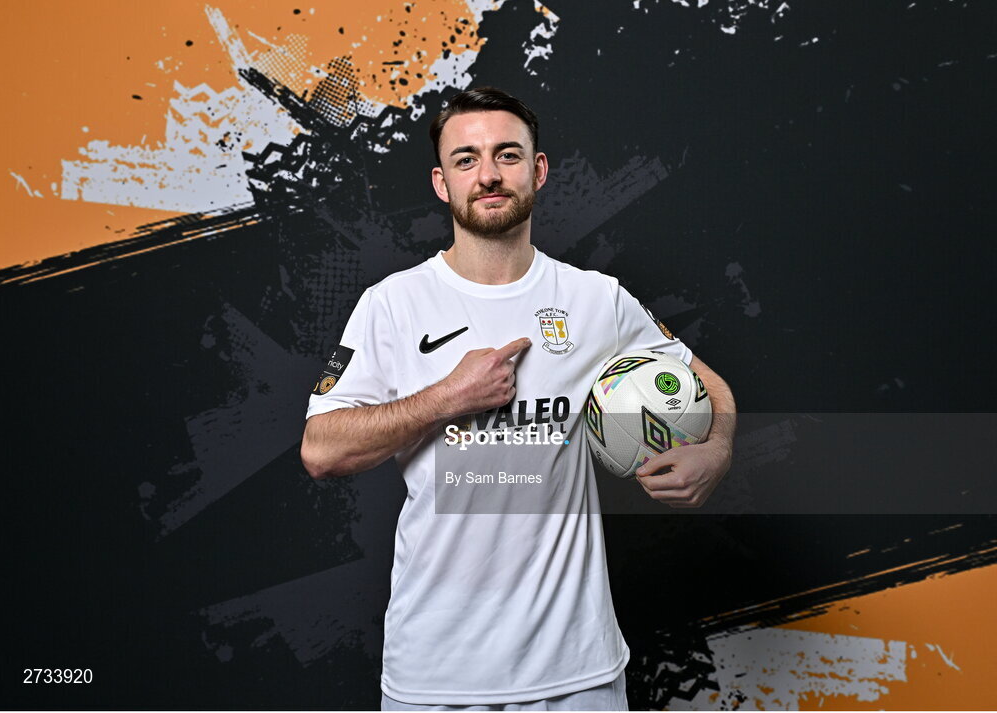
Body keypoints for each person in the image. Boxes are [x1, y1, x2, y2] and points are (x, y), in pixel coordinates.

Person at [300, 87, 735, 711]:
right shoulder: (392, 304)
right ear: (441, 182)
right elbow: (320, 450)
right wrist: (446, 398)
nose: (488, 175)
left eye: (507, 155)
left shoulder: (595, 300)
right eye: (466, 159)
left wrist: (716, 448)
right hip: (436, 673)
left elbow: (709, 385)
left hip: (576, 670)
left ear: (538, 169)